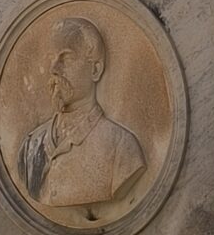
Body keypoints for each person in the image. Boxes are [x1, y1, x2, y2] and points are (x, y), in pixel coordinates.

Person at [19, 18, 146, 217]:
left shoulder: (122, 148)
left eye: (66, 58)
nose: (54, 68)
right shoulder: (31, 145)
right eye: (51, 57)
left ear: (95, 69)